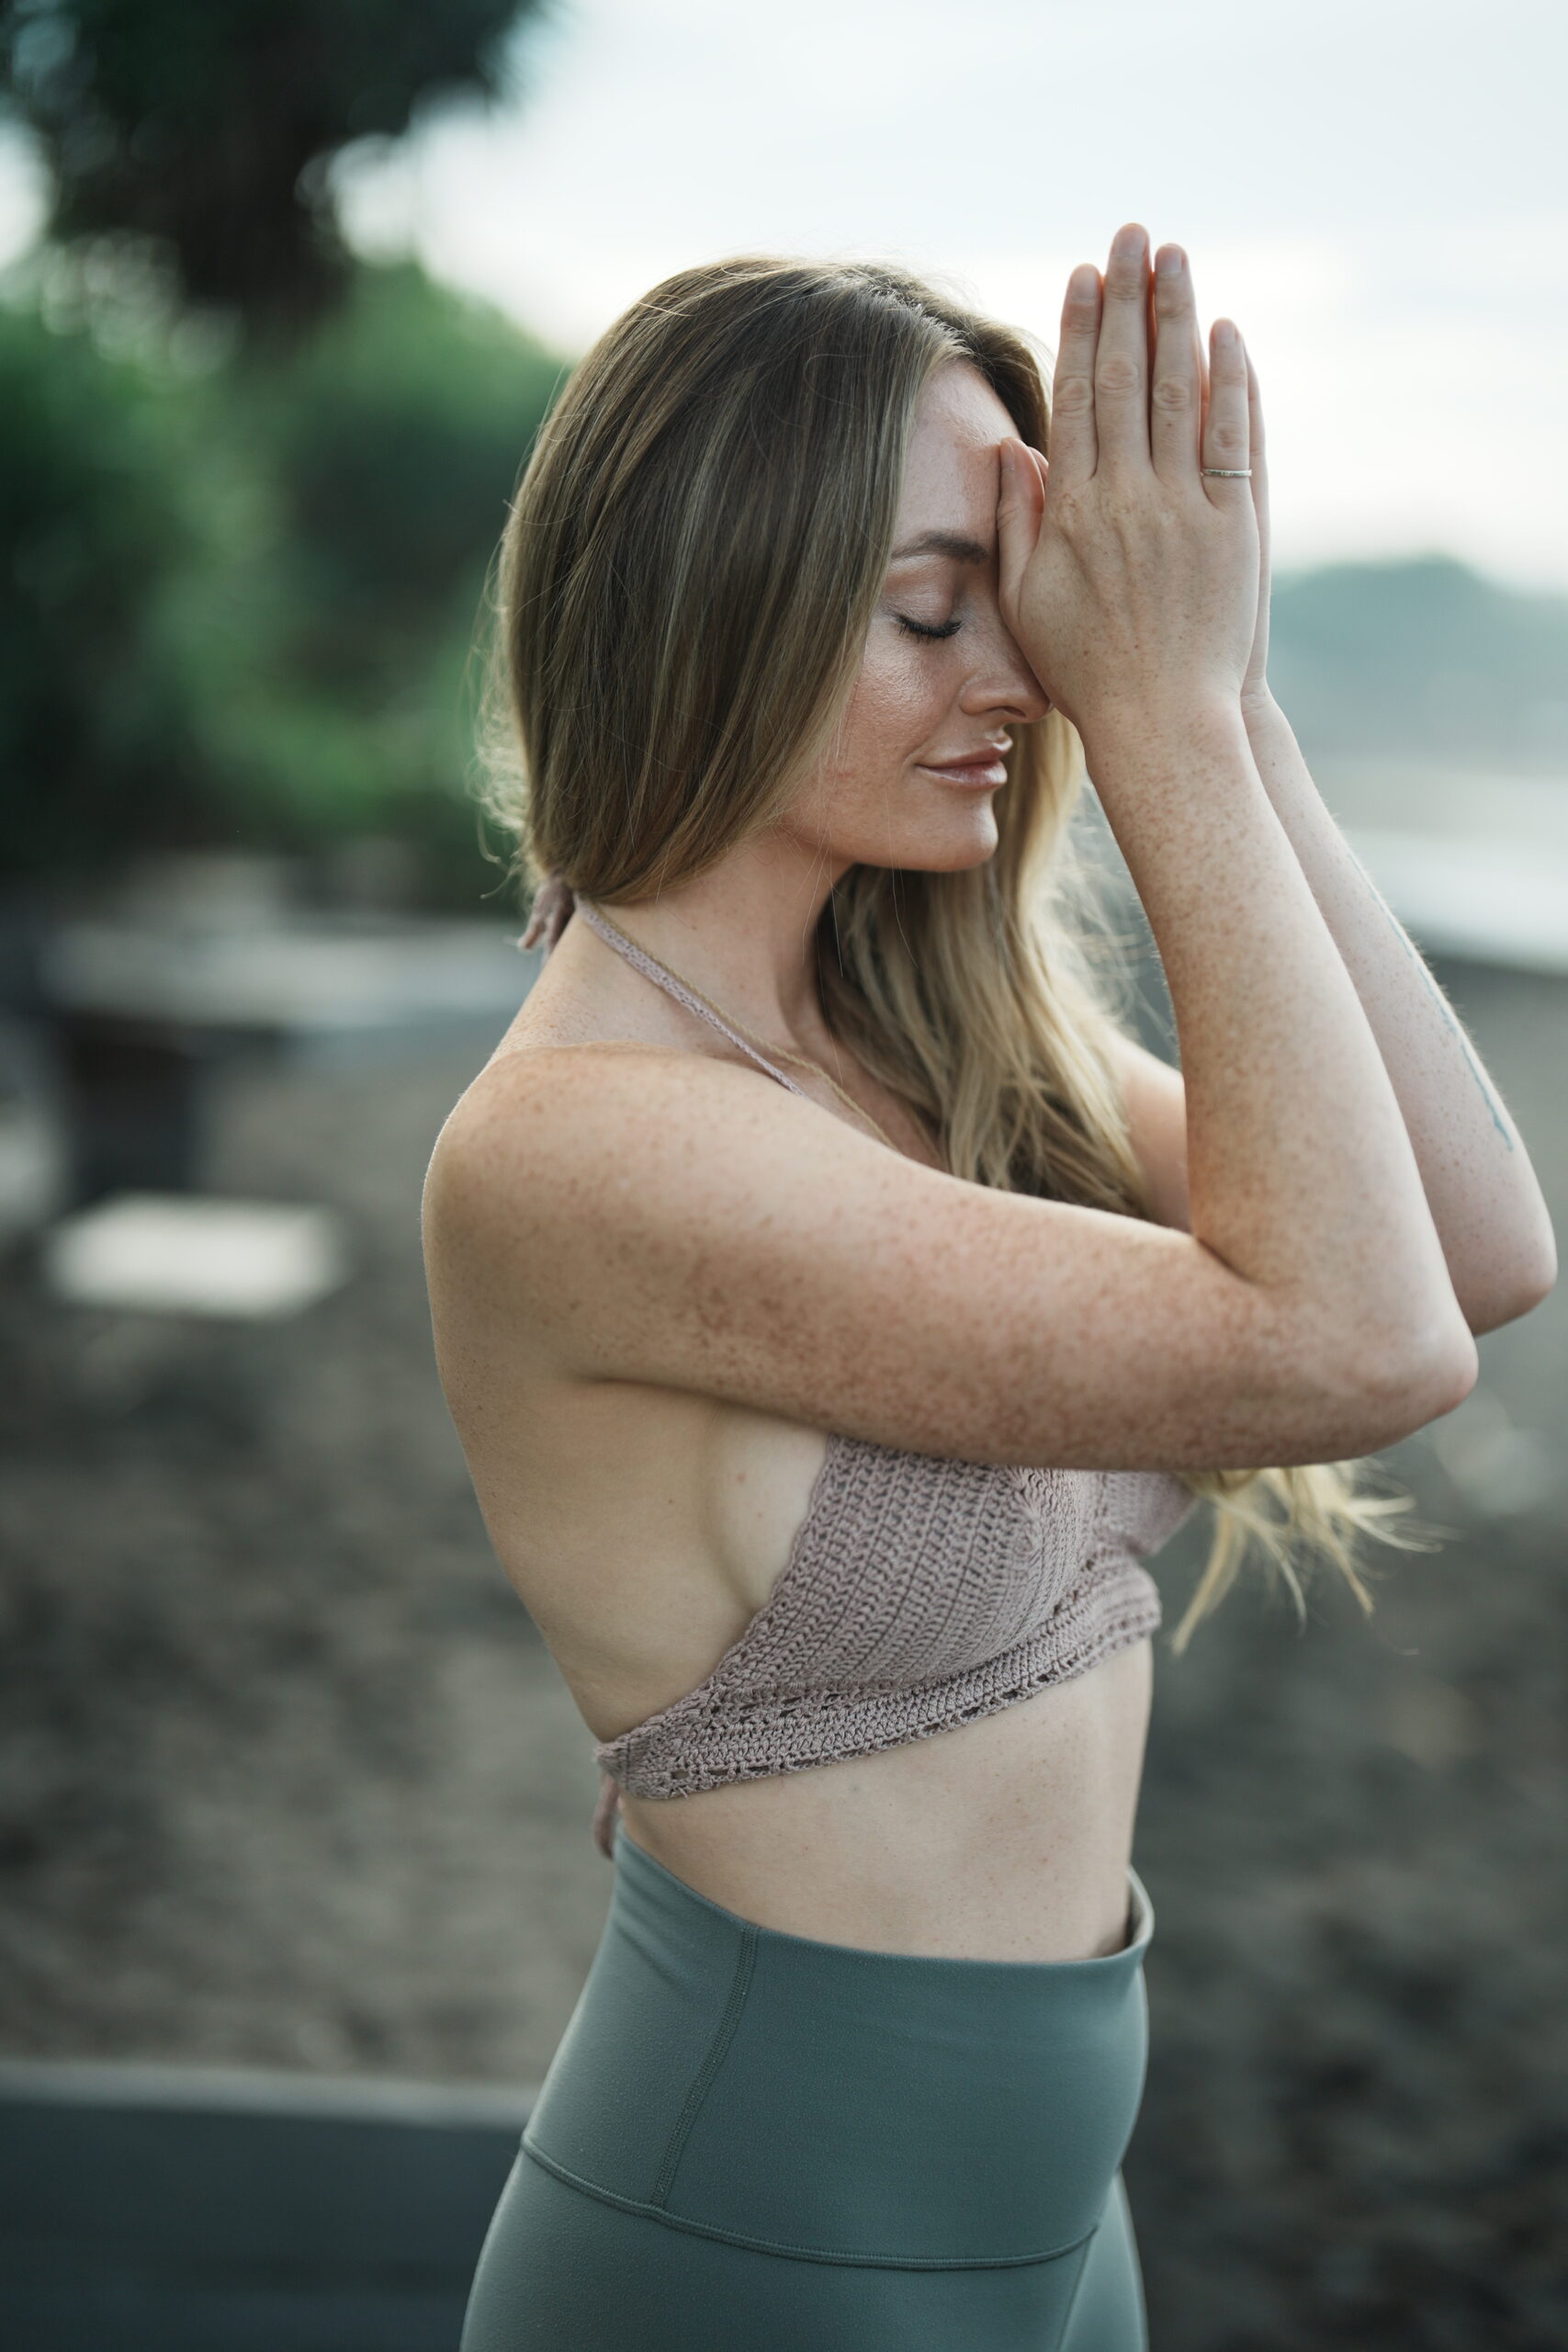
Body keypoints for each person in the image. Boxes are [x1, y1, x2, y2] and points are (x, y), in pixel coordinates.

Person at [422, 225, 1555, 2349]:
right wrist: (1165, 731)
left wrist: (1221, 702)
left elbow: (1473, 1246)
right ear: (711, 602)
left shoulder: (913, 1047)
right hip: (757, 2252)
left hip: (1052, 2240)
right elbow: (1357, 1341)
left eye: (1023, 612)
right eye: (936, 610)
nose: (1018, 680)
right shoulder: (582, 1145)